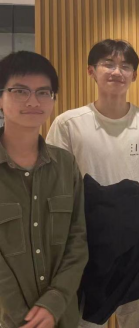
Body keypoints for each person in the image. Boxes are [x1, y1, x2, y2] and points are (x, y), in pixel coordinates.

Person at [46, 40, 139, 328]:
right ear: (91, 70)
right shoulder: (68, 124)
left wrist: (137, 210)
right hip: (88, 245)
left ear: (134, 75)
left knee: (137, 323)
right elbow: (57, 183)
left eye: (125, 66)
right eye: (108, 64)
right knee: (86, 322)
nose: (117, 71)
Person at [0, 51, 88, 328]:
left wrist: (54, 302)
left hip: (63, 315)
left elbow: (78, 240)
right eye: (19, 91)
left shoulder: (65, 164)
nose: (32, 101)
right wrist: (22, 315)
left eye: (43, 92)